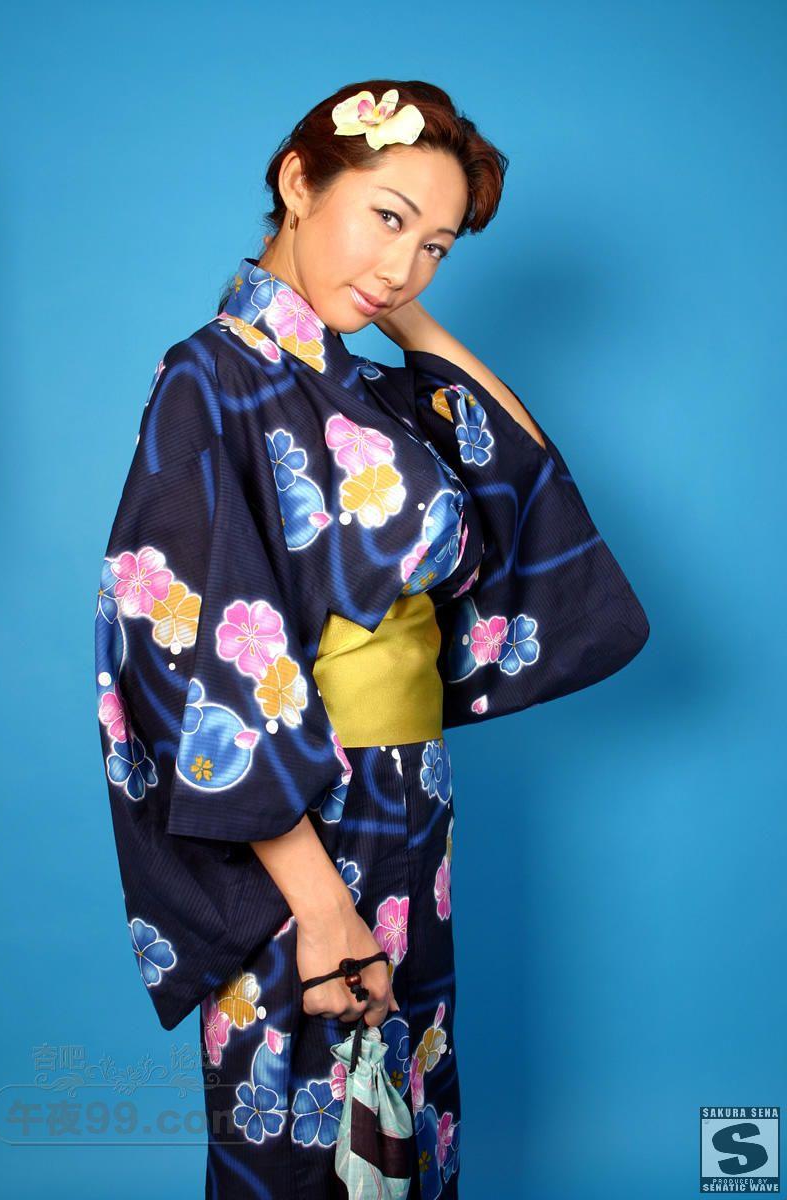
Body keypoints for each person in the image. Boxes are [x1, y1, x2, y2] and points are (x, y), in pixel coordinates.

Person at [94, 79, 650, 1199]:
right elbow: (189, 647)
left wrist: (407, 320)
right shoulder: (210, 374)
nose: (403, 267)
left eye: (435, 247)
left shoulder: (368, 389)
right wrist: (318, 903)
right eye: (386, 218)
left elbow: (520, 469)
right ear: (300, 183)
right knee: (304, 1132)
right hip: (299, 824)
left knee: (410, 1126)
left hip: (408, 797)